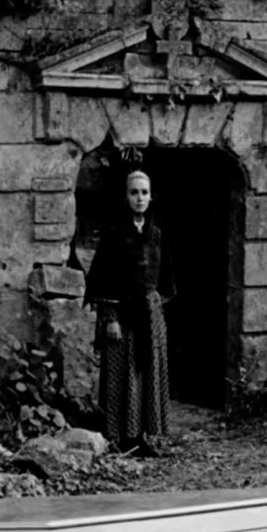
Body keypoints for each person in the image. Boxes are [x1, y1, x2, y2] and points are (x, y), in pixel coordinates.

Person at [83, 170, 175, 456]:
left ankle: (142, 435)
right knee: (122, 375)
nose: (139, 198)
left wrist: (155, 307)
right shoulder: (114, 234)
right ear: (126, 196)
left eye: (144, 192)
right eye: (134, 192)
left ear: (151, 196)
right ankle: (122, 437)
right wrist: (110, 318)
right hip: (121, 316)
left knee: (146, 374)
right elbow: (102, 278)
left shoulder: (156, 235)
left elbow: (165, 277)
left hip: (149, 315)